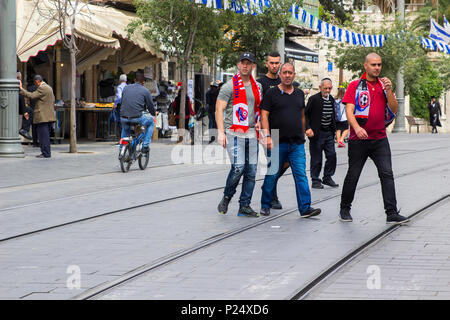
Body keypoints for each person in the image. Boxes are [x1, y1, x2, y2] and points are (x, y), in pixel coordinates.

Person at [339, 52, 409, 225]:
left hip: (380, 139)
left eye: (379, 65)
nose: (377, 68)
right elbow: (349, 110)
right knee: (353, 175)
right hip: (358, 140)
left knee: (387, 174)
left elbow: (394, 109)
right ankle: (344, 208)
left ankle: (391, 212)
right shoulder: (355, 85)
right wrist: (356, 127)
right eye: (373, 65)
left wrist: (389, 90)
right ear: (366, 65)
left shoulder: (382, 85)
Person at [259, 63, 321, 218]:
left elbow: (302, 115)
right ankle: (265, 204)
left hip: (296, 143)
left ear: (294, 75)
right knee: (272, 174)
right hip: (275, 140)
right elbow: (264, 115)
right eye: (284, 72)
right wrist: (266, 136)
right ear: (280, 75)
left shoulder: (299, 94)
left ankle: (305, 208)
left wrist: (304, 130)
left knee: (301, 175)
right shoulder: (271, 94)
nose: (287, 75)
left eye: (290, 73)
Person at [216, 52, 262, 217]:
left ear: (253, 66)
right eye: (242, 62)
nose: (245, 65)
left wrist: (259, 124)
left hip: (251, 133)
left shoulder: (258, 87)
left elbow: (257, 109)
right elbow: (218, 109)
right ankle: (227, 197)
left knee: (251, 170)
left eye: (248, 63)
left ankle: (245, 205)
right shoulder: (229, 86)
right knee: (239, 167)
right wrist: (221, 133)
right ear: (238, 64)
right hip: (233, 132)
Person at [257, 51, 287, 210]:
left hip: (285, 130)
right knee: (274, 163)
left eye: (277, 63)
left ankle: (268, 186)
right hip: (268, 129)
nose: (275, 65)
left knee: (286, 162)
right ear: (267, 64)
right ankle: (272, 197)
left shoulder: (285, 80)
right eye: (272, 63)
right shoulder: (260, 83)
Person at [305, 78, 339, 189]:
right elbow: (305, 115)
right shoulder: (313, 99)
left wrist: (335, 130)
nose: (328, 90)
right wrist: (308, 128)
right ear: (320, 88)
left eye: (329, 88)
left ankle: (327, 177)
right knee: (316, 158)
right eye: (325, 88)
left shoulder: (332, 100)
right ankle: (315, 180)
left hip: (329, 133)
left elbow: (333, 116)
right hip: (317, 134)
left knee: (332, 155)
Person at [19, 75, 56, 158]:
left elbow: (31, 95)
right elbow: (52, 99)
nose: (36, 85)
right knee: (45, 136)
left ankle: (45, 153)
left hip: (43, 116)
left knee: (43, 136)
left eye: (36, 83)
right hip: (48, 116)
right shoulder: (49, 88)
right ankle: (46, 152)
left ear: (37, 81)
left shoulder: (42, 88)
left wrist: (21, 89)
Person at [120, 71, 156, 154]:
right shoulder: (145, 91)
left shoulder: (126, 88)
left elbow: (123, 101)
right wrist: (153, 114)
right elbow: (150, 106)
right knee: (151, 123)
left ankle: (121, 151)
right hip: (137, 117)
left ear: (134, 80)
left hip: (123, 116)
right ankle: (145, 146)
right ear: (143, 82)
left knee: (125, 130)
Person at [17, 72, 33, 141]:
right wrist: (24, 111)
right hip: (15, 104)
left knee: (29, 110)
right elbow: (21, 96)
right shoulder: (18, 82)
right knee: (29, 110)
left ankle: (24, 129)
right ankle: (24, 129)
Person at [112, 74, 127, 140]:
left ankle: (121, 138)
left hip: (121, 105)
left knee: (120, 121)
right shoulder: (127, 87)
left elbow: (119, 97)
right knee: (125, 121)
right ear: (126, 80)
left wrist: (115, 103)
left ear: (120, 80)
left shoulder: (119, 87)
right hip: (127, 105)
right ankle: (125, 137)